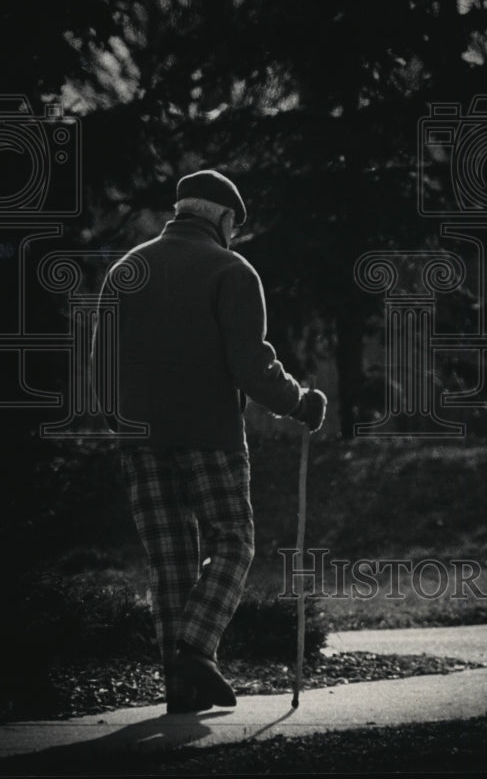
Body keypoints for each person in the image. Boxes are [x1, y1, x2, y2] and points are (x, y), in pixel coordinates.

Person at [91, 170, 327, 713]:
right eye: (234, 225)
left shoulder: (126, 269)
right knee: (232, 542)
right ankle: (196, 648)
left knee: (170, 559)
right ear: (222, 217)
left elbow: (101, 363)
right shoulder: (232, 270)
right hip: (209, 436)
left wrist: (116, 418)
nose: (235, 235)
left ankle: (181, 689)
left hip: (139, 438)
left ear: (182, 209)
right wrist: (300, 402)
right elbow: (250, 366)